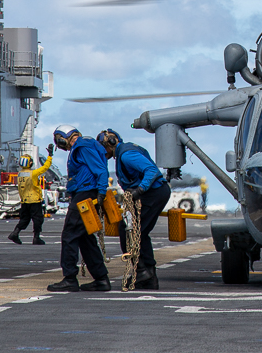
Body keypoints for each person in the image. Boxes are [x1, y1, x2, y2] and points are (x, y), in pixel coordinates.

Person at [98, 129, 171, 291]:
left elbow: (152, 171)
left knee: (128, 231)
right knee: (140, 232)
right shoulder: (127, 150)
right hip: (156, 193)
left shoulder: (126, 155)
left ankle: (142, 271)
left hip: (153, 193)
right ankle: (149, 276)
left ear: (109, 144)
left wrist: (140, 190)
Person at [46, 125, 111, 293]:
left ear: (62, 138)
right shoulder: (87, 145)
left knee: (69, 234)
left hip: (85, 194)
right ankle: (101, 279)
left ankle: (69, 278)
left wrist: (102, 192)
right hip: (86, 193)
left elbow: (101, 171)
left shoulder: (82, 147)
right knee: (85, 238)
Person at [8, 144, 54, 245]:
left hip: (24, 201)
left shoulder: (19, 174)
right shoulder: (33, 174)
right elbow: (45, 167)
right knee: (38, 220)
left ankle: (15, 233)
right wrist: (50, 155)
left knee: (24, 219)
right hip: (34, 201)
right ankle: (36, 237)